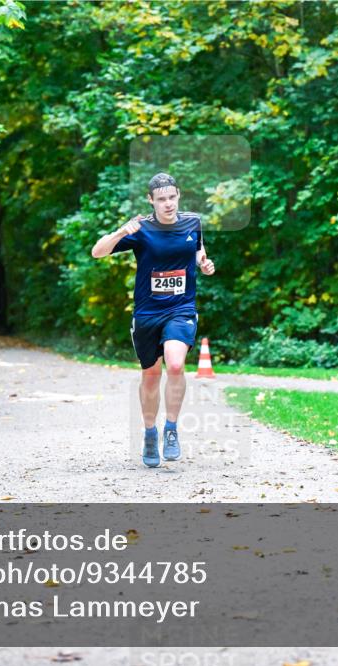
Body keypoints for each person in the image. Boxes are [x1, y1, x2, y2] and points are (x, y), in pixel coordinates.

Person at [90, 173, 215, 468]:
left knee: (175, 364)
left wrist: (203, 262)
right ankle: (149, 433)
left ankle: (171, 429)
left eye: (172, 197)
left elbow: (197, 249)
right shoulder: (141, 229)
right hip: (147, 313)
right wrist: (121, 232)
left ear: (179, 195)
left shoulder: (193, 222)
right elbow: (97, 252)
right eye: (161, 199)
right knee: (151, 375)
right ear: (151, 200)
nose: (168, 204)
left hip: (181, 308)